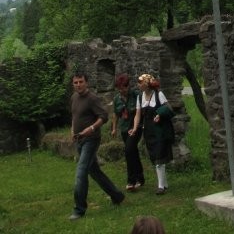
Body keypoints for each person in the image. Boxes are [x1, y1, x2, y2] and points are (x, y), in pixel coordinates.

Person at [69, 72, 125, 220]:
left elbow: (104, 116)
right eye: (76, 82)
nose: (78, 85)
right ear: (73, 84)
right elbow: (74, 116)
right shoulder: (74, 97)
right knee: (95, 172)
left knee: (81, 173)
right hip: (79, 140)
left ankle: (79, 210)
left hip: (91, 140)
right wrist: (72, 130)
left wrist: (91, 128)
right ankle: (117, 196)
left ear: (86, 82)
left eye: (81, 82)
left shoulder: (92, 98)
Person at [130, 73, 174, 195]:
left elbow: (169, 108)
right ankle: (164, 184)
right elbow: (138, 114)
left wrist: (159, 114)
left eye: (140, 83)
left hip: (160, 130)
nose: (138, 85)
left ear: (146, 84)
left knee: (159, 155)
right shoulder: (140, 97)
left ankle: (160, 186)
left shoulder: (159, 95)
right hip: (148, 131)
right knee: (155, 156)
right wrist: (134, 128)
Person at [111, 73, 145, 191]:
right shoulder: (117, 99)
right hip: (125, 129)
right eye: (119, 88)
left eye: (123, 88)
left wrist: (135, 127)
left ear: (128, 86)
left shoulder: (136, 95)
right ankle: (140, 178)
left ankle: (131, 181)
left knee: (128, 150)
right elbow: (115, 114)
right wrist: (114, 128)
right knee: (133, 152)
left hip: (136, 128)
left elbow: (139, 112)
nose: (121, 91)